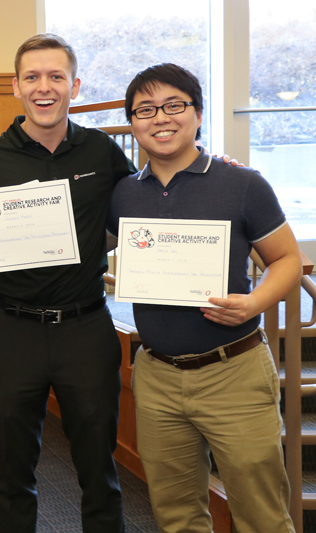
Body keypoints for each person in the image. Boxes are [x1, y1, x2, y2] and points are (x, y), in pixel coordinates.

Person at [0, 33, 136, 532]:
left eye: (56, 76)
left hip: (86, 329)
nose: (44, 87)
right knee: (14, 474)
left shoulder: (102, 151)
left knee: (99, 471)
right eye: (32, 77)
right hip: (14, 331)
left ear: (75, 85)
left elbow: (146, 207)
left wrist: (208, 167)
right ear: (15, 86)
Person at [107, 63, 300, 533]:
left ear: (197, 114)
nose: (160, 118)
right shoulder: (125, 194)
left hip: (233, 371)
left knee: (262, 514)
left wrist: (253, 304)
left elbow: (288, 261)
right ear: (133, 123)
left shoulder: (242, 184)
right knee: (176, 513)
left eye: (174, 105)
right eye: (146, 109)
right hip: (156, 375)